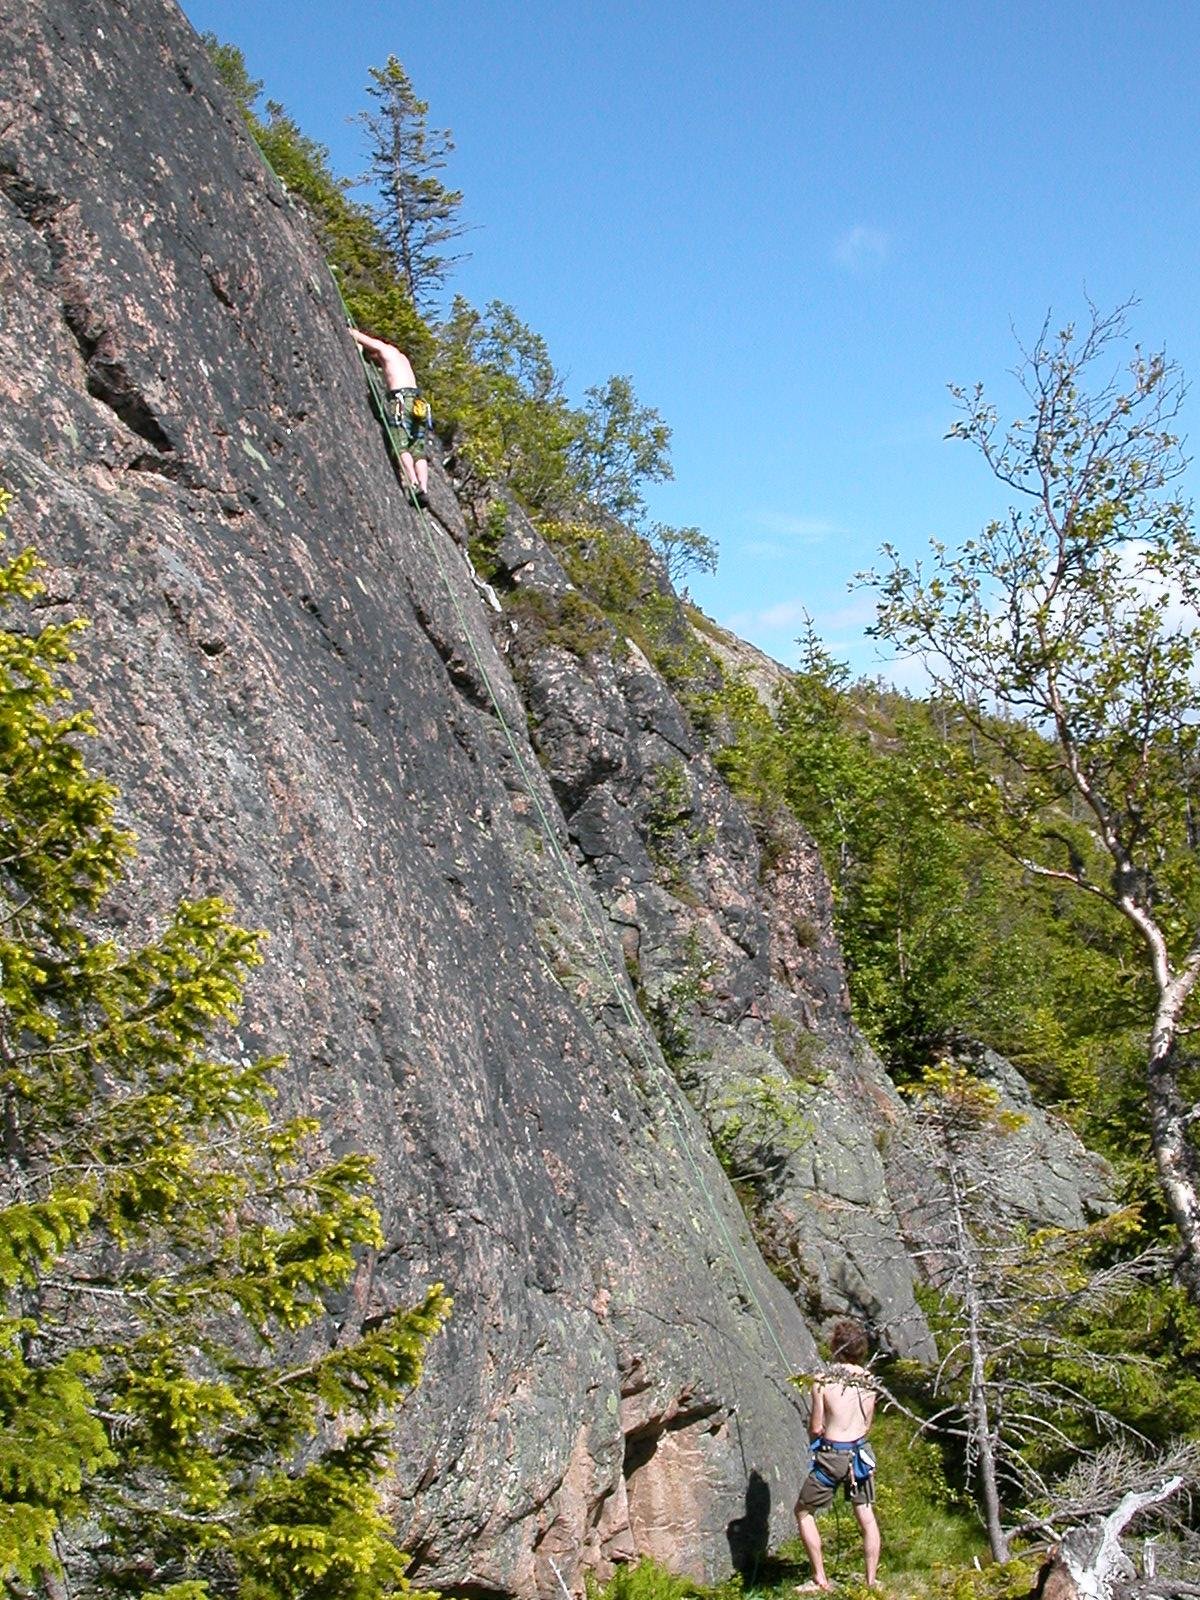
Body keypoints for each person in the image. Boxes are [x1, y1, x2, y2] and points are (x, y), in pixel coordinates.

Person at [794, 1319, 881, 1591]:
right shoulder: (870, 1381)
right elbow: (867, 1424)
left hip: (832, 1457)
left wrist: (816, 1442)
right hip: (860, 1455)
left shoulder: (823, 1381)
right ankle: (871, 1581)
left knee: (803, 1511)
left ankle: (820, 1578)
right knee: (866, 1517)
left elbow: (816, 1427)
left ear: (835, 1346)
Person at [349, 329, 431, 507]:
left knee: (400, 445)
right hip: (418, 403)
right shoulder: (403, 358)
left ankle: (413, 483)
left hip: (401, 401)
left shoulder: (386, 349)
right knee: (418, 449)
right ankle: (424, 488)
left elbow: (360, 338)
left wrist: (350, 330)